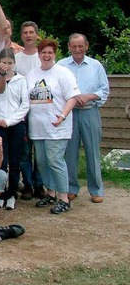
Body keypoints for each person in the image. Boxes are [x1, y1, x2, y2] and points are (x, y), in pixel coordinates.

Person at [27, 39, 80, 214]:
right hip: (38, 127)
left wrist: (63, 116)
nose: (47, 56)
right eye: (44, 52)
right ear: (39, 54)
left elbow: (72, 97)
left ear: (54, 54)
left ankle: (63, 197)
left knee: (55, 161)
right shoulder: (32, 74)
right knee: (42, 162)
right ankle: (50, 192)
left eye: (50, 52)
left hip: (57, 127)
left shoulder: (63, 73)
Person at [57, 34, 110, 203]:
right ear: (68, 47)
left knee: (92, 151)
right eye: (74, 46)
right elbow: (56, 88)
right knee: (70, 152)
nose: (77, 49)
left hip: (90, 111)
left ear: (87, 46)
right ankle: (71, 188)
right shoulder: (61, 66)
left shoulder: (95, 66)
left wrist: (89, 96)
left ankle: (96, 189)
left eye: (81, 46)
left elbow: (104, 90)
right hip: (69, 113)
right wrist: (71, 99)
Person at [0, 48, 30, 210]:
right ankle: (0, 194)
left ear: (14, 64)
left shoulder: (21, 80)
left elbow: (25, 105)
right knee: (1, 161)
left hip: (15, 125)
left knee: (15, 161)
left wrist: (10, 121)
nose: (7, 66)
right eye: (4, 62)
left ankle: (12, 194)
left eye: (10, 63)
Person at [14, 21, 44, 200]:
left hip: (41, 110)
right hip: (22, 112)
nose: (28, 35)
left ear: (36, 35)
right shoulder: (17, 58)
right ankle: (27, 184)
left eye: (31, 32)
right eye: (25, 32)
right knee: (24, 151)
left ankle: (40, 184)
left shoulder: (44, 56)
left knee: (39, 151)